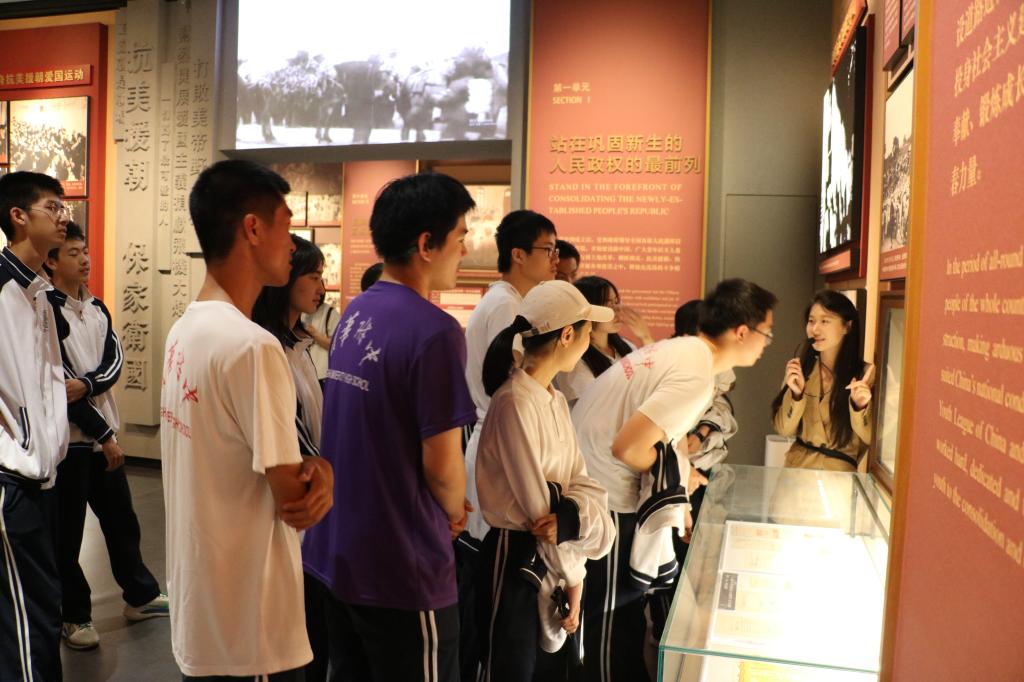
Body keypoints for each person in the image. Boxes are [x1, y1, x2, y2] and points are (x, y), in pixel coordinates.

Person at [160, 159, 334, 680]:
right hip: (251, 627)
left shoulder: (185, 330)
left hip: (204, 611)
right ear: (253, 229)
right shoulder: (253, 346)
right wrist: (323, 470)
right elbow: (296, 501)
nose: (292, 244)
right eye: (286, 226)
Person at [302, 173, 477, 682]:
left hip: (340, 551)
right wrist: (454, 509)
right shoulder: (436, 331)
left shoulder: (359, 310)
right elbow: (442, 466)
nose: (464, 250)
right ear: (426, 244)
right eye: (460, 237)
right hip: (403, 563)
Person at [572, 278, 777, 682]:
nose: (767, 344)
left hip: (597, 489)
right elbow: (629, 448)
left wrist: (681, 477)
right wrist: (676, 481)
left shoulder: (683, 351)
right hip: (606, 501)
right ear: (742, 332)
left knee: (619, 623)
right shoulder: (695, 374)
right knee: (610, 628)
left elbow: (664, 439)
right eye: (766, 333)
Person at [475, 280, 616, 682]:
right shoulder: (514, 402)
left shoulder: (552, 399)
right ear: (567, 335)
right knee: (511, 669)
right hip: (516, 559)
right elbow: (540, 514)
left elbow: (582, 486)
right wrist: (574, 575)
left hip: (554, 561)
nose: (590, 341)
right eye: (587, 331)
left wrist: (575, 577)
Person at [43, 221, 168, 651]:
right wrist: (102, 431)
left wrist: (90, 385)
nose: (84, 259)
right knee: (67, 536)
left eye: (85, 251)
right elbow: (58, 388)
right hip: (70, 444)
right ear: (51, 261)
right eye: (73, 253)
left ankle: (141, 595)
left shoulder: (96, 308)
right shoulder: (45, 311)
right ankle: (74, 615)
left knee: (121, 521)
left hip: (103, 439)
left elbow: (114, 361)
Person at [0, 171, 71, 682]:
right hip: (12, 478)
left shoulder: (40, 293)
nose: (64, 216)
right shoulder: (3, 288)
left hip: (43, 477)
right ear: (18, 216)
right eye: (53, 206)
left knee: (41, 609)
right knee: (29, 619)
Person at [253, 234, 331, 680]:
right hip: (289, 503)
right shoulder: (268, 347)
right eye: (313, 275)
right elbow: (289, 433)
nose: (322, 286)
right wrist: (327, 471)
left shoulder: (298, 342)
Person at [464, 210, 559, 539]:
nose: (555, 259)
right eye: (548, 249)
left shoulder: (507, 300)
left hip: (497, 438)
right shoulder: (507, 306)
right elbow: (514, 385)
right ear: (518, 254)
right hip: (500, 441)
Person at [772, 289, 873, 471]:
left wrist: (859, 407)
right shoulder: (801, 370)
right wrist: (796, 396)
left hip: (838, 476)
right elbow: (783, 430)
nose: (815, 329)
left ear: (847, 326)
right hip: (796, 472)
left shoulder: (865, 375)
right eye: (811, 321)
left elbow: (871, 438)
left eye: (825, 321)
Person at [554, 275, 654, 408]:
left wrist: (646, 338)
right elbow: (591, 409)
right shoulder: (575, 360)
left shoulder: (625, 346)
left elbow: (651, 380)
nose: (617, 310)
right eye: (608, 304)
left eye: (616, 302)